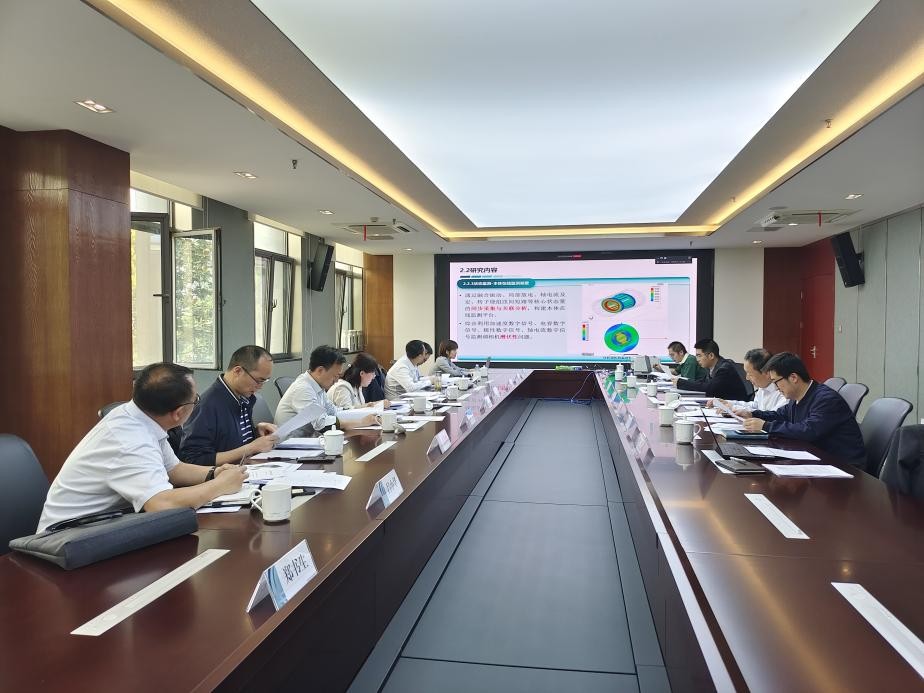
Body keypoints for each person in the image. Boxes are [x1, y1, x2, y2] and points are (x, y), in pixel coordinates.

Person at [37, 363, 248, 532]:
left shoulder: (141, 417)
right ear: (178, 413)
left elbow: (174, 469)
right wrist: (220, 485)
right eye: (196, 400)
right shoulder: (130, 440)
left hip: (102, 528)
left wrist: (214, 473)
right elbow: (161, 505)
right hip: (66, 539)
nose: (197, 404)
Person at [739, 352, 866, 466]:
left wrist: (765, 426)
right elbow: (780, 415)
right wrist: (752, 414)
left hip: (843, 466)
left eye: (776, 382)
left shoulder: (826, 399)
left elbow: (808, 430)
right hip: (818, 460)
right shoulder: (797, 397)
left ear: (793, 378)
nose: (776, 388)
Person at [180, 345, 278, 466]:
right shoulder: (207, 406)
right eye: (258, 380)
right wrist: (251, 448)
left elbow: (232, 441)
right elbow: (193, 459)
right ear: (238, 371)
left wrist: (255, 432)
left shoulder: (243, 397)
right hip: (225, 474)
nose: (260, 386)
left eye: (265, 381)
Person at [275, 345, 375, 433]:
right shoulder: (303, 389)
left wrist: (361, 410)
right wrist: (361, 422)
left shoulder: (318, 387)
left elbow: (334, 411)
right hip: (291, 444)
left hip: (308, 440)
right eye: (335, 376)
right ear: (320, 370)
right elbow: (321, 424)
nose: (336, 380)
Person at [715, 348, 787, 413]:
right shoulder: (763, 387)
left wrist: (734, 408)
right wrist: (728, 403)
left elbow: (771, 415)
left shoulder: (783, 392)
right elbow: (755, 406)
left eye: (750, 374)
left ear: (767, 373)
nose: (747, 378)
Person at [673, 338, 747, 400]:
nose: (697, 359)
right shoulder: (711, 367)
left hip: (735, 408)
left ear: (711, 355)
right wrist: (682, 382)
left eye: (699, 356)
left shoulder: (724, 369)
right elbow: (702, 382)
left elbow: (709, 388)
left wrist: (681, 383)